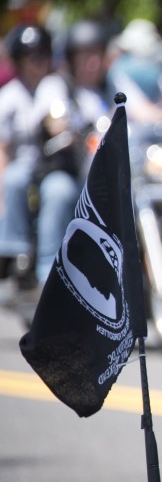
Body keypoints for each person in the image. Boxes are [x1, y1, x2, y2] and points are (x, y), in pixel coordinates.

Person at [0, 23, 80, 286]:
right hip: (22, 164)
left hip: (53, 165)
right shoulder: (9, 96)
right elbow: (2, 148)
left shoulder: (54, 85)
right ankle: (14, 249)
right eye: (32, 57)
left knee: (60, 192)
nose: (39, 63)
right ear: (19, 61)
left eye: (43, 55)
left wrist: (59, 126)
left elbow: (57, 118)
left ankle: (50, 269)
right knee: (13, 179)